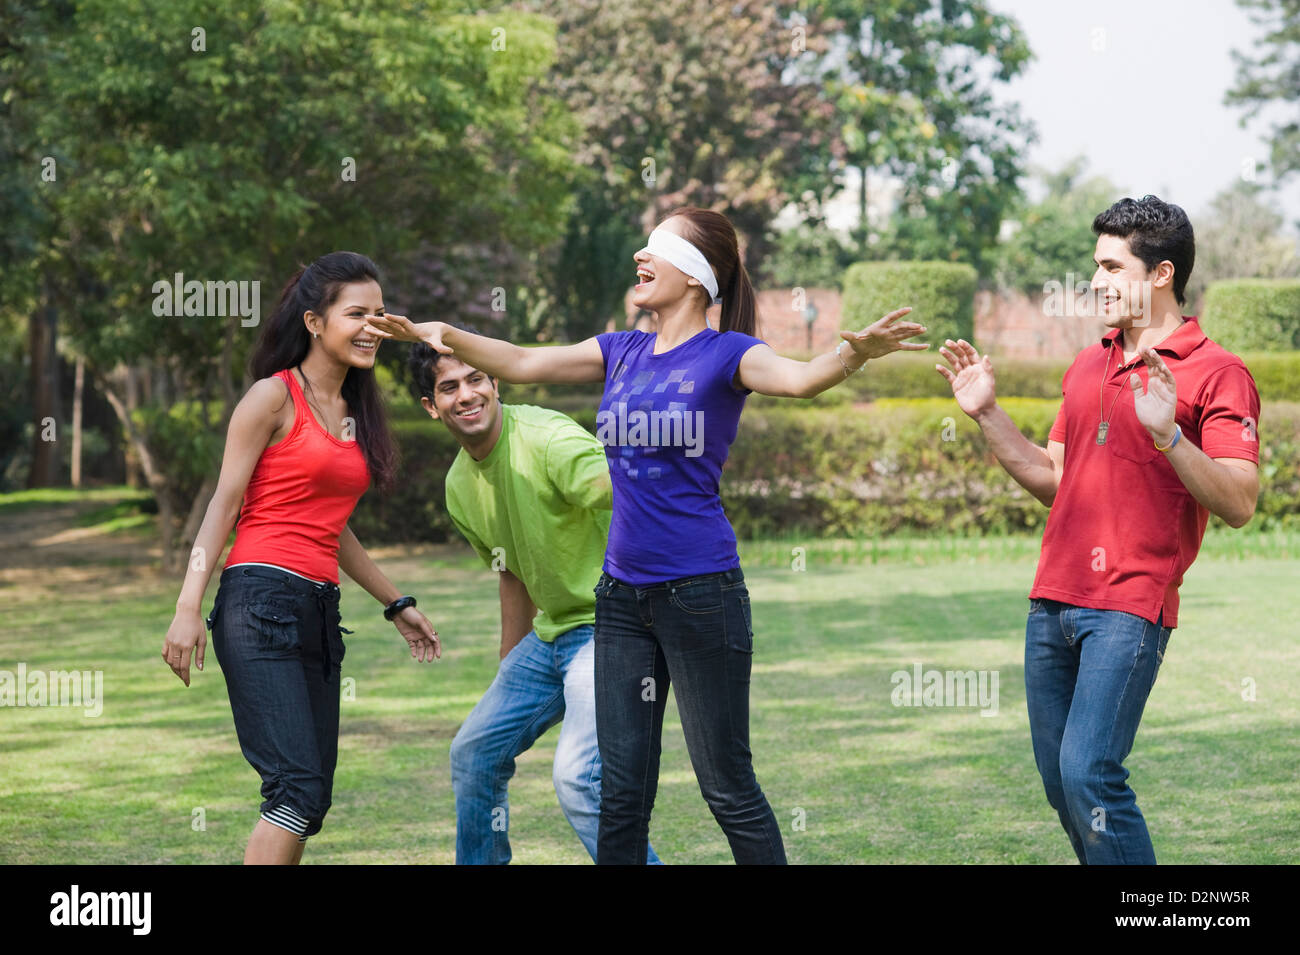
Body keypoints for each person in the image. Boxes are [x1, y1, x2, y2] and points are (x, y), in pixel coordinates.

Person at [370, 206, 924, 864]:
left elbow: (800, 379)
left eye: (657, 246)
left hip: (700, 592)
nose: (641, 254)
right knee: (622, 794)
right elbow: (519, 360)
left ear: (695, 275)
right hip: (621, 600)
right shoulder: (621, 350)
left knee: (726, 784)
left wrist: (850, 354)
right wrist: (441, 334)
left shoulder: (728, 354)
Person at [936, 195, 1261, 864]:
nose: (1095, 280)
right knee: (1063, 782)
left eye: (1112, 266)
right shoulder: (1089, 364)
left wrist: (1169, 433)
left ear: (1161, 274)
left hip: (1129, 607)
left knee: (1090, 772)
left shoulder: (1216, 371)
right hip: (1051, 600)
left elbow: (1239, 502)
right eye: (1095, 264)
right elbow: (1054, 478)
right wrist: (988, 414)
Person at [161, 251, 441, 865]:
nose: (372, 327)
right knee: (296, 788)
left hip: (318, 609)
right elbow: (222, 505)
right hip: (258, 602)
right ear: (315, 322)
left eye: (381, 314)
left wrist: (395, 602)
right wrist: (187, 606)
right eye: (357, 314)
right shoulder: (273, 396)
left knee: (310, 800)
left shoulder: (353, 412)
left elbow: (331, 527)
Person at [406, 343, 660, 864]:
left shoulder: (546, 436)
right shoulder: (459, 486)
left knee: (577, 780)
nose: (467, 394)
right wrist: (510, 674)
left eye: (477, 379)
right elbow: (512, 574)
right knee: (474, 754)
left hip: (613, 624)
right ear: (431, 406)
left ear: (496, 383)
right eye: (449, 387)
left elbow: (611, 483)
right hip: (553, 636)